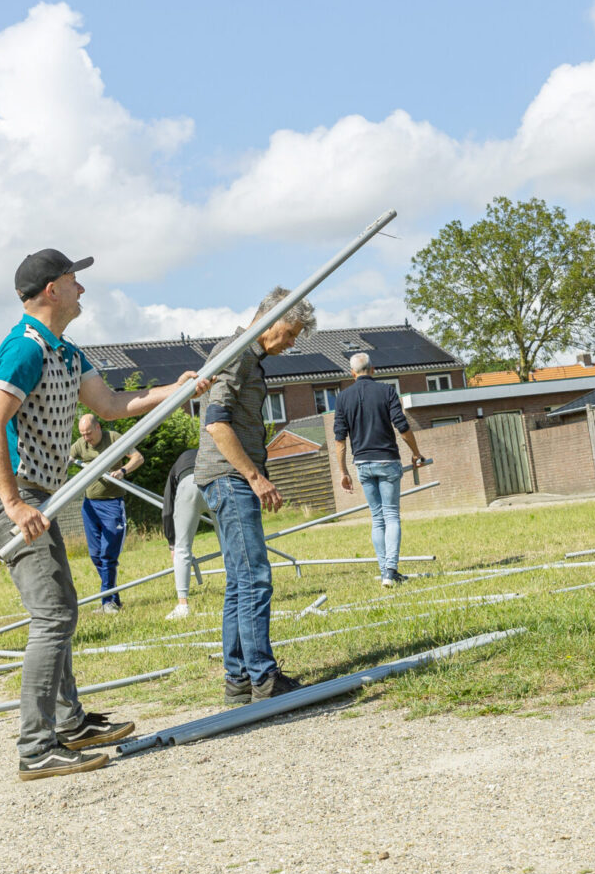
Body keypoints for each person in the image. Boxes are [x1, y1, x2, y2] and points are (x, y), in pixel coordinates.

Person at [0, 249, 206, 780]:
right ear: (52, 289)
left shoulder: (67, 353)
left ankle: (70, 724)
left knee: (62, 608)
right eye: (75, 281)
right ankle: (36, 747)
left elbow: (112, 406)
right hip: (7, 498)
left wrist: (179, 388)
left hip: (40, 498)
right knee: (53, 615)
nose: (83, 290)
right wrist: (12, 503)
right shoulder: (25, 349)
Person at [196, 287, 314, 704]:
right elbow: (216, 422)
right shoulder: (237, 353)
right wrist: (254, 476)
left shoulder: (246, 355)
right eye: (290, 333)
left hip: (226, 478)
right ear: (271, 319)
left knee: (238, 582)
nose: (291, 343)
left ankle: (240, 680)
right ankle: (264, 678)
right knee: (254, 578)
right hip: (230, 478)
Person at [333, 352, 426, 586]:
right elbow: (402, 427)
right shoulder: (387, 391)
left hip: (362, 464)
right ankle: (390, 571)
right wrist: (416, 453)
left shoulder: (343, 399)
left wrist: (343, 471)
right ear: (373, 369)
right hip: (387, 461)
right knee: (391, 515)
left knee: (377, 518)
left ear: (352, 374)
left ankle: (385, 570)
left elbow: (339, 440)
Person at [69, 413, 143, 612]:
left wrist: (123, 471)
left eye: (89, 434)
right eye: (83, 434)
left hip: (112, 504)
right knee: (96, 556)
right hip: (90, 506)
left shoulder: (113, 438)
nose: (86, 438)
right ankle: (112, 600)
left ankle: (107, 602)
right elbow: (68, 458)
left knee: (108, 554)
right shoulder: (80, 444)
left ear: (98, 428)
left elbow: (138, 457)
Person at [160, 447, 210, 620]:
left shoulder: (177, 465)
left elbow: (167, 507)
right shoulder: (211, 450)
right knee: (228, 542)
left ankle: (183, 605)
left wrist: (172, 542)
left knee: (182, 549)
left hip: (187, 485)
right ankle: (240, 595)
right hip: (213, 481)